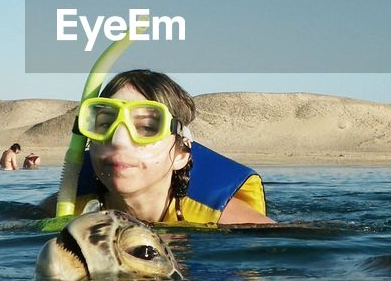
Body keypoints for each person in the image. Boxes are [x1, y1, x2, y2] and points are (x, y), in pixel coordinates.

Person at [42, 69, 272, 225]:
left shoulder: (229, 220)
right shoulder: (64, 208)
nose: (118, 140)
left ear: (181, 155)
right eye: (104, 124)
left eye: (147, 127)